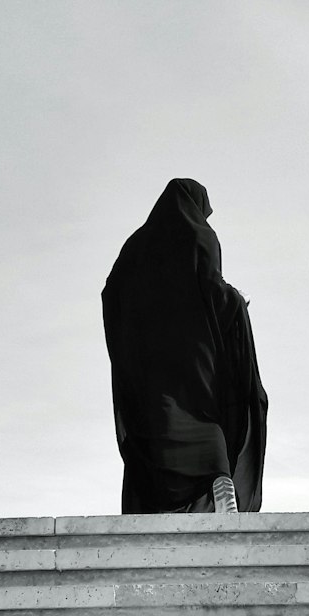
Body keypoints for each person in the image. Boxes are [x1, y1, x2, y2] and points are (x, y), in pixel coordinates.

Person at [102, 178, 268, 514]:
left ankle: (162, 500)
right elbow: (211, 287)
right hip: (194, 355)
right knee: (200, 412)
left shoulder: (134, 247)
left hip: (147, 360)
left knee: (156, 420)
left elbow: (112, 292)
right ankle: (219, 477)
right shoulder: (199, 235)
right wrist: (239, 300)